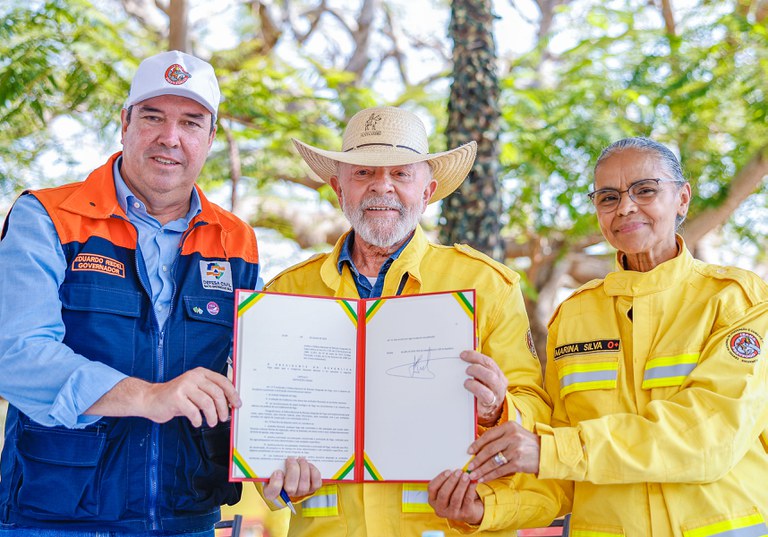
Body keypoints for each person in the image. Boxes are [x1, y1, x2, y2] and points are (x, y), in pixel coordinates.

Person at [259, 106, 565, 536]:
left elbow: (538, 418)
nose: (381, 186)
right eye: (363, 173)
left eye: (401, 174)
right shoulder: (284, 293)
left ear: (427, 191)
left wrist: (497, 408)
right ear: (337, 188)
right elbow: (265, 443)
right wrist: (276, 478)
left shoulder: (488, 285)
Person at [0, 50, 260, 535]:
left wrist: (286, 458)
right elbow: (13, 355)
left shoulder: (236, 241)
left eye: (191, 122)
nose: (170, 137)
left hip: (189, 517)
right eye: (153, 117)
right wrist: (148, 396)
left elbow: (261, 371)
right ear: (124, 123)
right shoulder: (48, 218)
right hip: (56, 517)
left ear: (210, 138)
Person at [466, 137, 768, 536]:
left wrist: (551, 450)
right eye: (608, 197)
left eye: (645, 190)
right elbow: (558, 479)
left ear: (682, 199)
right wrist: (485, 510)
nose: (625, 207)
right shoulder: (572, 317)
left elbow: (707, 439)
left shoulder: (736, 300)